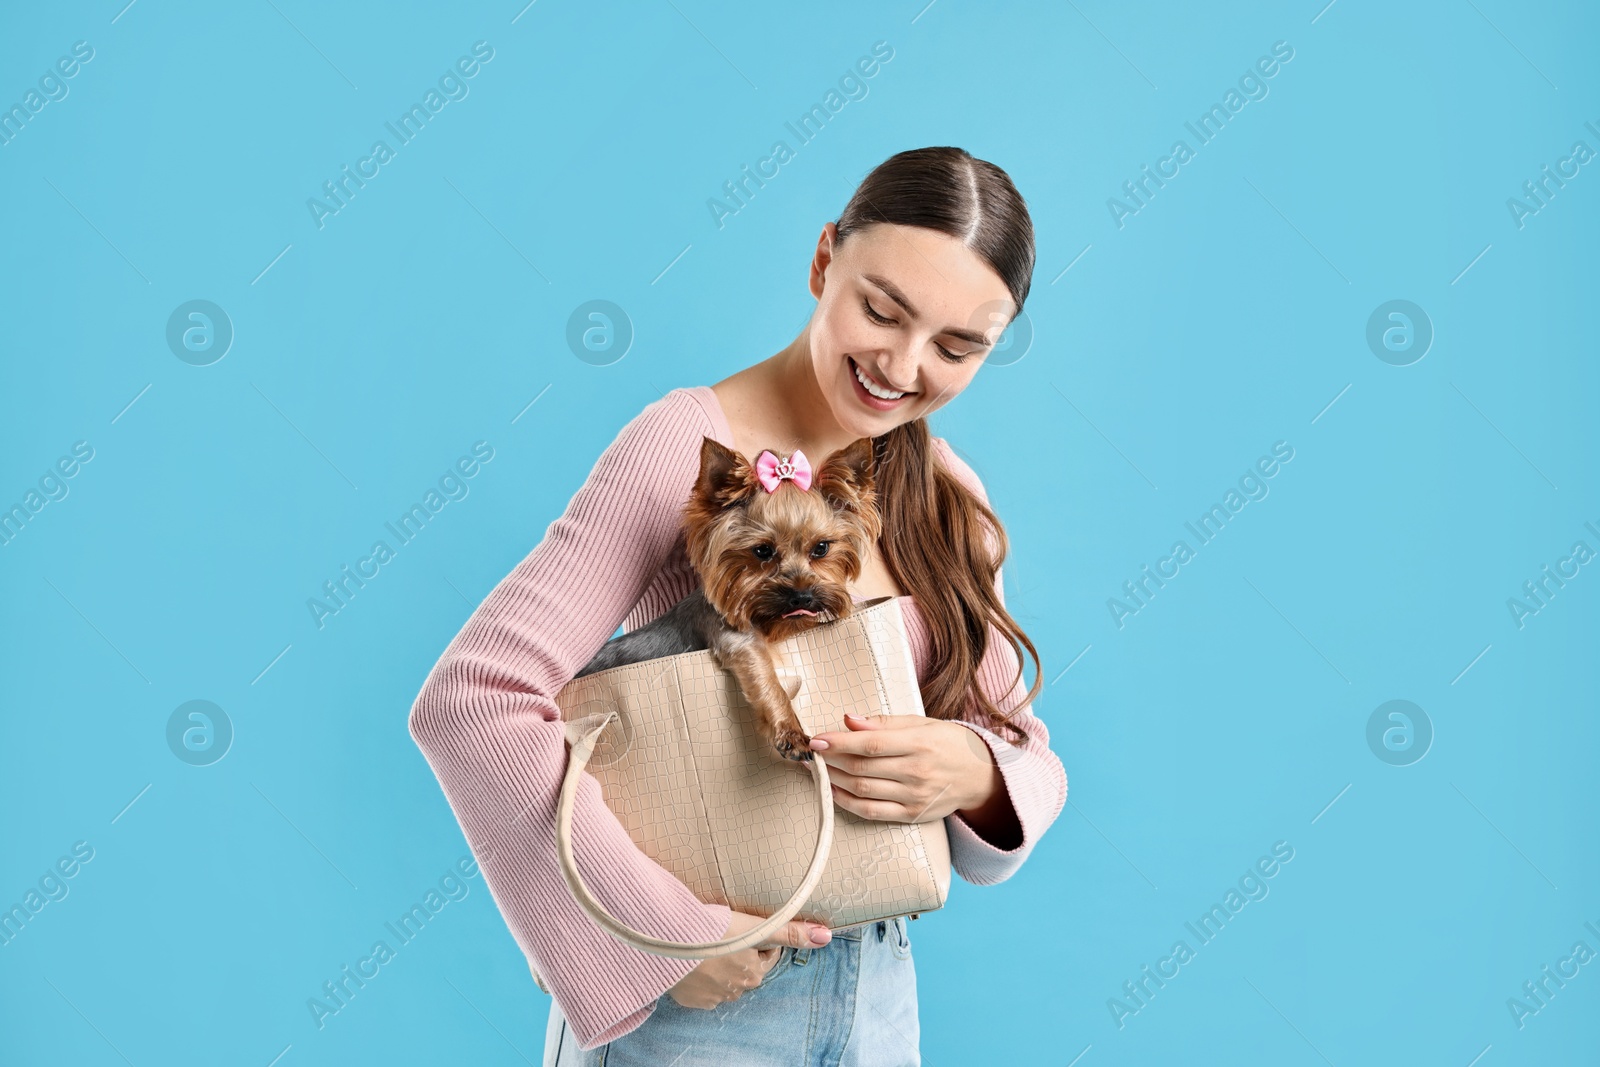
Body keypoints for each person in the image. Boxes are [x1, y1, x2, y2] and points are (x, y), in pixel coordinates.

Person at [408, 146, 1068, 1066]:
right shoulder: (682, 445)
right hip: (698, 1014)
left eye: (959, 348)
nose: (903, 365)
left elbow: (1024, 746)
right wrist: (658, 937)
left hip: (878, 997)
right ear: (821, 261)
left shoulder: (949, 493)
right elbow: (473, 700)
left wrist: (974, 771)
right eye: (882, 309)